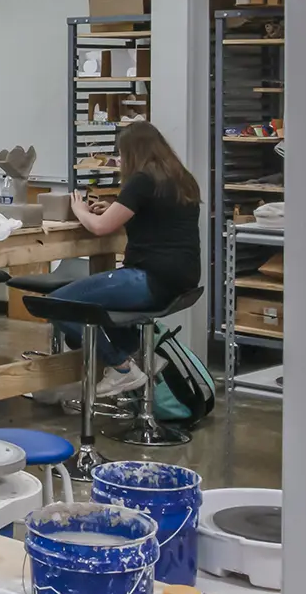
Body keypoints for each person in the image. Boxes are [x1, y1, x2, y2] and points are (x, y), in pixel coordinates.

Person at [40, 121, 203, 397]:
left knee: (57, 304)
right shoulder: (181, 178)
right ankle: (140, 354)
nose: (120, 161)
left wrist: (80, 210)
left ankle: (122, 368)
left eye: (121, 154)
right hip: (181, 280)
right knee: (97, 305)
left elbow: (100, 227)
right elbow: (155, 216)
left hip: (151, 278)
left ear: (132, 153)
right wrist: (114, 208)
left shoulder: (142, 180)